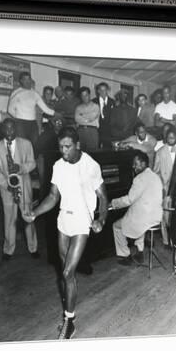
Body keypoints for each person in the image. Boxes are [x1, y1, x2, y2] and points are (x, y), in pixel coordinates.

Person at [22, 127, 109, 339]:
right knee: (64, 273)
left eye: (67, 147)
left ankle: (69, 321)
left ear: (77, 145)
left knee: (68, 273)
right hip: (64, 220)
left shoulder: (91, 165)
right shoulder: (58, 166)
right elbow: (53, 196)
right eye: (60, 147)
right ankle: (69, 315)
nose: (63, 151)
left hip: (82, 221)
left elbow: (104, 197)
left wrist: (101, 219)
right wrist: (35, 213)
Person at [0, 118, 39, 261]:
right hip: (6, 189)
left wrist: (21, 168)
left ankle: (33, 247)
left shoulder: (26, 143)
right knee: (9, 219)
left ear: (16, 129)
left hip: (24, 186)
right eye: (6, 129)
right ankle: (8, 249)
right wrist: (6, 185)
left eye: (12, 128)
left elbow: (33, 163)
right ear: (2, 130)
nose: (9, 131)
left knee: (29, 217)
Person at [111, 152, 163, 265]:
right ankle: (139, 251)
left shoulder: (139, 178)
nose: (133, 167)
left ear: (144, 164)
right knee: (139, 221)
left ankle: (124, 255)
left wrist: (113, 203)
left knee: (116, 226)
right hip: (156, 216)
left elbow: (129, 200)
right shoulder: (156, 176)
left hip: (145, 218)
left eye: (136, 164)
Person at [6, 71, 56, 144]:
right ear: (21, 81)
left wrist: (56, 113)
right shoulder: (16, 92)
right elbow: (10, 110)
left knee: (34, 144)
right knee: (22, 144)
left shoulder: (35, 93)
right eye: (25, 79)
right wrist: (19, 117)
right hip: (20, 123)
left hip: (33, 123)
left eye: (28, 79)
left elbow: (45, 108)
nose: (27, 81)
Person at [36, 114, 64, 196]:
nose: (59, 124)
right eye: (56, 122)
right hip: (46, 162)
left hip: (59, 163)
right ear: (52, 123)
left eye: (60, 122)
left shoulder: (64, 135)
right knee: (45, 184)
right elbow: (38, 151)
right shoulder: (46, 134)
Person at [92, 82, 116, 148]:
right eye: (101, 90)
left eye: (104, 90)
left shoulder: (113, 102)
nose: (103, 92)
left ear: (107, 90)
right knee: (96, 148)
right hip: (97, 129)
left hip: (109, 130)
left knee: (108, 149)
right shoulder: (93, 101)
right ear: (98, 91)